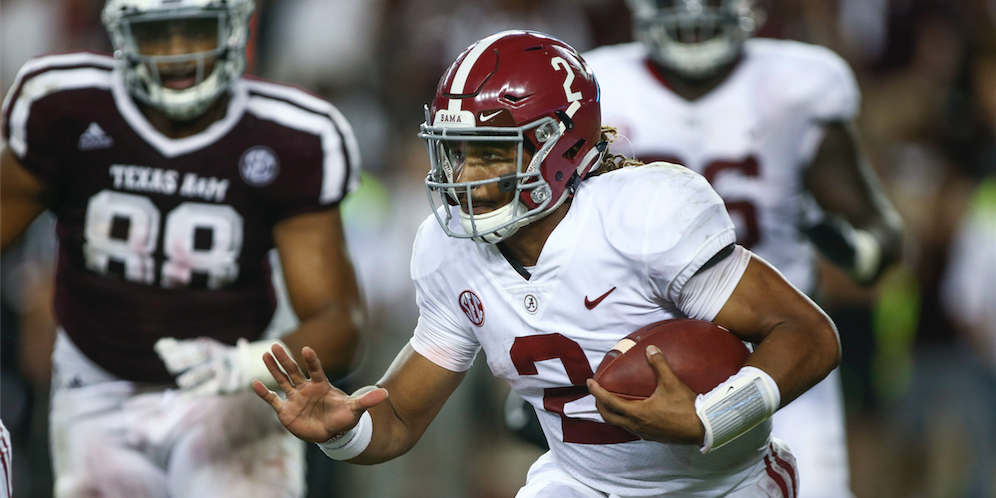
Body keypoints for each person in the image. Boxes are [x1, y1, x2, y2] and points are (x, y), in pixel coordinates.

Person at [254, 30, 841, 497]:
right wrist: (344, 430)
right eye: (455, 153)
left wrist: (713, 416)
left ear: (561, 145)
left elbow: (809, 334)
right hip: (582, 484)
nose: (466, 178)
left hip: (720, 485)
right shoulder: (445, 247)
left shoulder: (642, 216)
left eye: (491, 153)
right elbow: (400, 419)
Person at [0, 0, 364, 495]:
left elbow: (340, 322)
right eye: (156, 34)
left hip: (234, 389)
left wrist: (243, 364)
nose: (176, 54)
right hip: (95, 380)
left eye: (195, 29)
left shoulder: (291, 134)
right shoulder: (62, 105)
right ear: (122, 35)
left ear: (234, 27)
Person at [578, 1, 904, 496]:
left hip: (779, 348)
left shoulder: (798, 84)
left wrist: (858, 251)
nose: (691, 11)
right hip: (642, 351)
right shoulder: (597, 82)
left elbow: (880, 226)